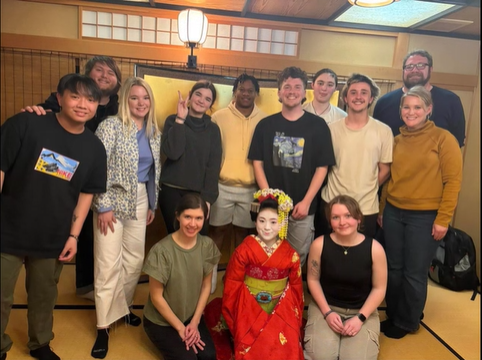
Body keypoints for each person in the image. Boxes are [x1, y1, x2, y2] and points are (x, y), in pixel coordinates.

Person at [1, 74, 107, 360]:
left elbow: (87, 194)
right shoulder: (26, 123)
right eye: (75, 96)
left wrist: (73, 235)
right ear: (59, 98)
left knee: (44, 296)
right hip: (7, 228)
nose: (83, 104)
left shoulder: (95, 148)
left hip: (53, 233)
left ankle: (40, 343)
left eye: (91, 99)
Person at [21, 55, 122, 300]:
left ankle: (91, 286)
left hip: (98, 177)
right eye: (100, 70)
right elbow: (45, 115)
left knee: (90, 230)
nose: (105, 76)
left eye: (111, 73)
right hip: (61, 173)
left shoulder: (120, 106)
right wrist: (33, 111)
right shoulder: (64, 100)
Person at [378, 86, 463, 339]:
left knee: (414, 272)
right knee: (393, 268)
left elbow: (453, 182)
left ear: (429, 109)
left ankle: (408, 321)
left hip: (425, 217)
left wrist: (443, 219)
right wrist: (383, 209)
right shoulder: (396, 140)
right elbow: (389, 179)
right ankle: (395, 314)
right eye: (406, 107)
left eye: (417, 107)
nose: (411, 112)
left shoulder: (443, 138)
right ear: (400, 110)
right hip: (393, 212)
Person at [90, 77, 161, 359]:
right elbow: (97, 167)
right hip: (111, 200)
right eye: (134, 98)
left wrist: (152, 203)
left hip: (141, 198)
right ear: (125, 101)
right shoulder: (110, 127)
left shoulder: (154, 130)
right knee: (108, 262)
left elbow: (154, 171)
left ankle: (123, 308)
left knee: (134, 260)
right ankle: (102, 325)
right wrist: (103, 204)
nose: (141, 103)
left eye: (145, 98)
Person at [248, 66, 335, 265]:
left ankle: (292, 295)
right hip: (271, 207)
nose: (292, 92)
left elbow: (323, 168)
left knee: (297, 258)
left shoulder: (318, 126)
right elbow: (257, 163)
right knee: (267, 255)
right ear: (279, 92)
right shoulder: (265, 125)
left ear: (305, 93)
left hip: (302, 208)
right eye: (287, 87)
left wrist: (306, 202)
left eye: (297, 87)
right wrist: (269, 197)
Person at [222, 188, 304, 360]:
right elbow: (232, 284)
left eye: (273, 222)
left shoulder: (290, 255)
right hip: (248, 307)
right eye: (262, 221)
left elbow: (296, 289)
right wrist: (234, 315)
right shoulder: (244, 250)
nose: (267, 227)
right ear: (255, 221)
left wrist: (292, 316)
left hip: (280, 308)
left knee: (286, 351)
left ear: (282, 223)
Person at [304, 195, 387, 360]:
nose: (342, 222)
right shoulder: (319, 245)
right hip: (325, 308)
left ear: (358, 218)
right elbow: (312, 280)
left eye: (348, 216)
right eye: (336, 217)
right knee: (321, 357)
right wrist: (327, 313)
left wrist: (360, 318)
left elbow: (380, 288)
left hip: (362, 311)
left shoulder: (375, 249)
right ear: (330, 221)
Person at [142, 193, 221, 360]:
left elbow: (206, 286)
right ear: (178, 216)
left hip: (190, 317)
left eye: (198, 218)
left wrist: (195, 322)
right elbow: (156, 297)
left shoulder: (207, 245)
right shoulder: (161, 251)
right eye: (188, 217)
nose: (193, 224)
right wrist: (180, 328)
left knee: (209, 356)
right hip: (161, 321)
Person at [209, 74, 266, 291]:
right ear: (235, 91)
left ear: (256, 94)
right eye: (241, 89)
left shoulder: (265, 119)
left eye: (250, 90)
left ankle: (235, 281)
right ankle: (210, 281)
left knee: (244, 236)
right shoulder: (219, 117)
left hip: (251, 188)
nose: (246, 94)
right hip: (222, 186)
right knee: (217, 232)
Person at [320, 73, 393, 239]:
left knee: (360, 259)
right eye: (353, 92)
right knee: (328, 255)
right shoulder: (331, 129)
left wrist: (366, 187)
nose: (358, 97)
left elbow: (385, 169)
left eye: (364, 93)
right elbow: (323, 166)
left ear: (371, 98)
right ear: (345, 98)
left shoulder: (383, 131)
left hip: (365, 207)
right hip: (332, 203)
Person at [160, 80, 222, 236]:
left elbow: (213, 166)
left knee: (197, 239)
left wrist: (208, 199)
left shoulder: (213, 129)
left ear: (210, 105)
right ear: (190, 96)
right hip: (171, 190)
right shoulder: (172, 120)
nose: (201, 100)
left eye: (207, 99)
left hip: (198, 195)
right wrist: (180, 120)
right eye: (198, 94)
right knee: (175, 237)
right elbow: (173, 152)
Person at [373, 49, 465, 147]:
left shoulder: (451, 101)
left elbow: (456, 142)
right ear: (403, 71)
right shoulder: (384, 102)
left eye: (421, 66)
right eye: (409, 67)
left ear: (430, 69)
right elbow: (376, 141)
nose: (415, 70)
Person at [302, 68, 347, 239]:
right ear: (312, 85)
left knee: (324, 226)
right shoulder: (300, 111)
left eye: (329, 85)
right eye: (320, 83)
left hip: (331, 179)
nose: (324, 88)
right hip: (303, 177)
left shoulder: (342, 117)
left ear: (335, 89)